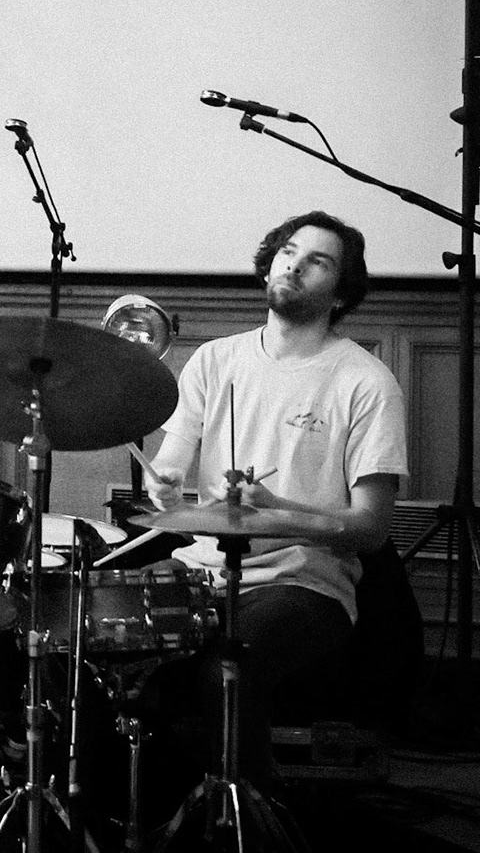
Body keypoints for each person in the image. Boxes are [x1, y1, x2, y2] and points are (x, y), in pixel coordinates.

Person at [145, 210, 407, 779]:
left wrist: (278, 511)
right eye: (289, 251)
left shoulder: (364, 381)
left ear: (340, 294)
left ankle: (248, 821)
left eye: (319, 261)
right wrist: (162, 483)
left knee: (228, 671)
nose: (295, 264)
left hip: (304, 585)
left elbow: (371, 529)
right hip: (202, 571)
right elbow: (169, 464)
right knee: (93, 646)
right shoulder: (215, 360)